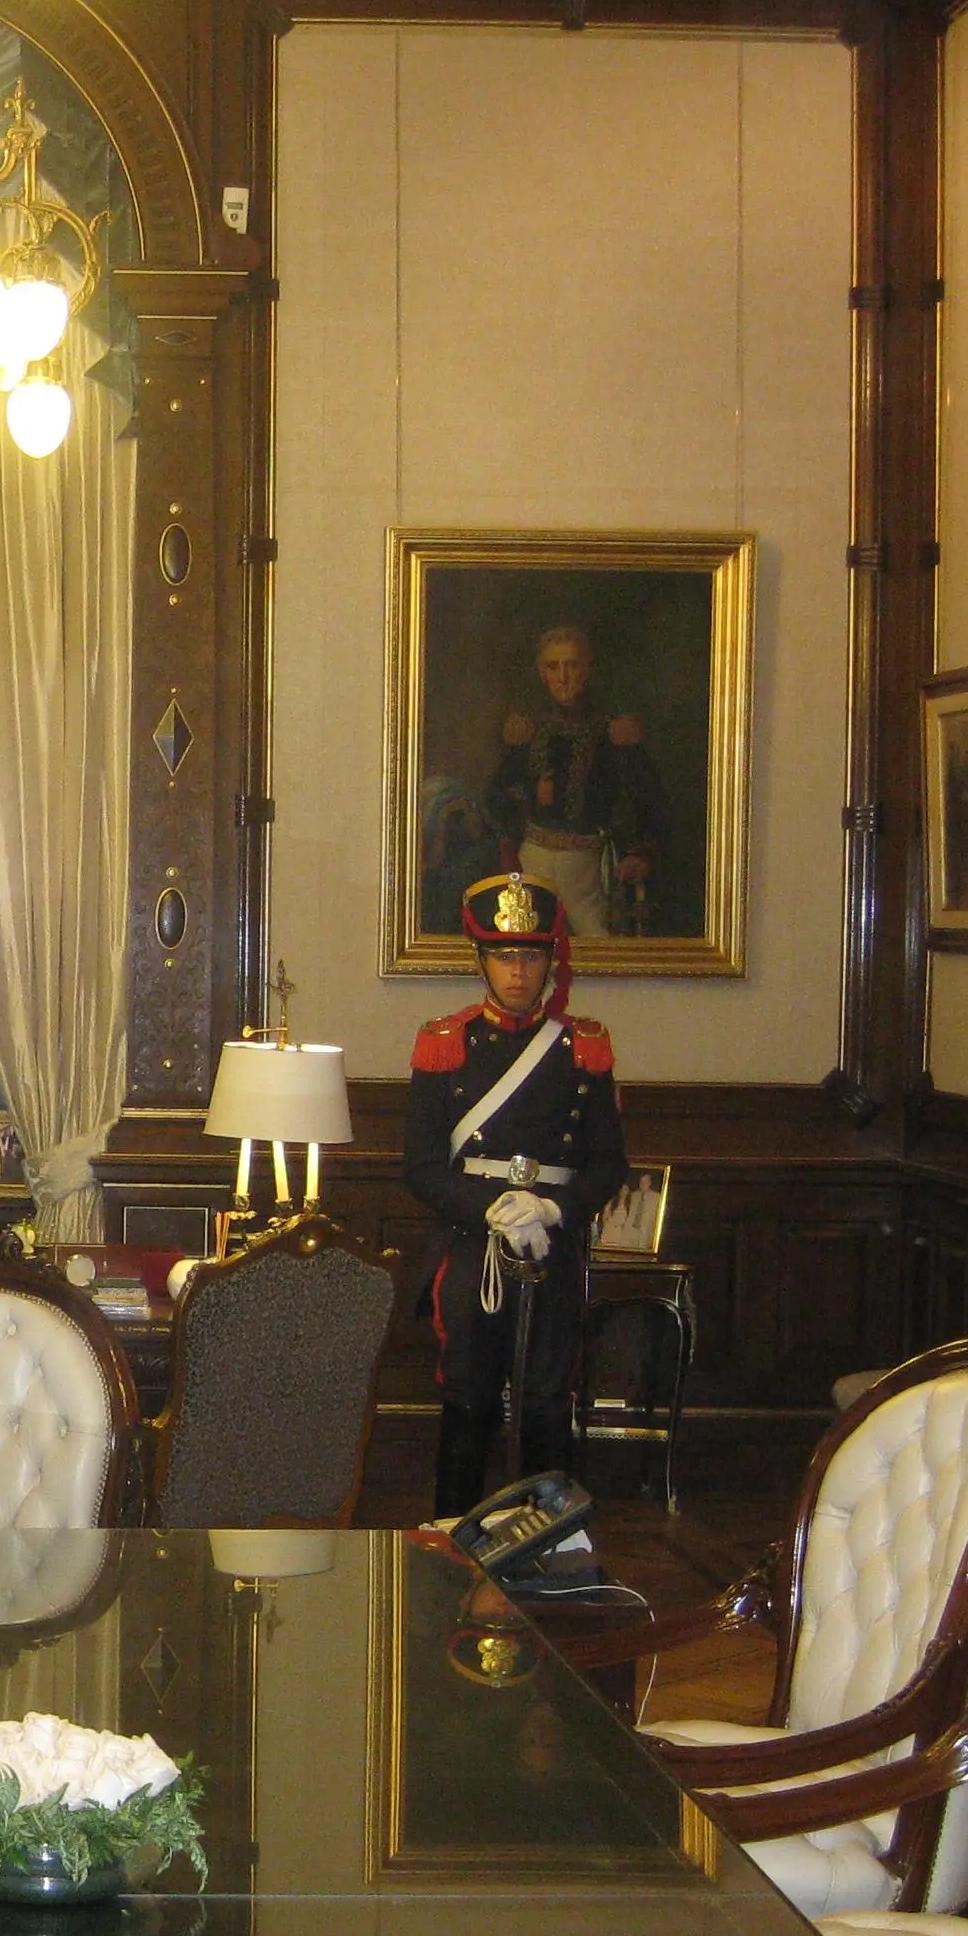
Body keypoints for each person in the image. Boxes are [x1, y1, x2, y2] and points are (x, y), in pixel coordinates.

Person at [403, 871, 627, 1521]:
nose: (518, 972)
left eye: (530, 956)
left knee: (547, 1400)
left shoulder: (582, 1046)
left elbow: (608, 1163)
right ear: (481, 960)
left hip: (552, 1244)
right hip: (475, 1243)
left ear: (550, 961)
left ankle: (547, 1542)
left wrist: (554, 1209)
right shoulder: (445, 1043)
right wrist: (489, 1209)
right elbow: (419, 1165)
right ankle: (453, 1532)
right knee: (468, 1395)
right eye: (504, 956)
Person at [482, 626, 669, 938]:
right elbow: (495, 795)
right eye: (553, 667)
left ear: (587, 669)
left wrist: (641, 853)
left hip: (587, 866)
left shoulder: (613, 733)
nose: (564, 677)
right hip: (533, 859)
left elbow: (650, 801)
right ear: (543, 673)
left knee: (600, 947)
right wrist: (531, 798)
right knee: (524, 946)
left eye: (572, 665)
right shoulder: (528, 731)